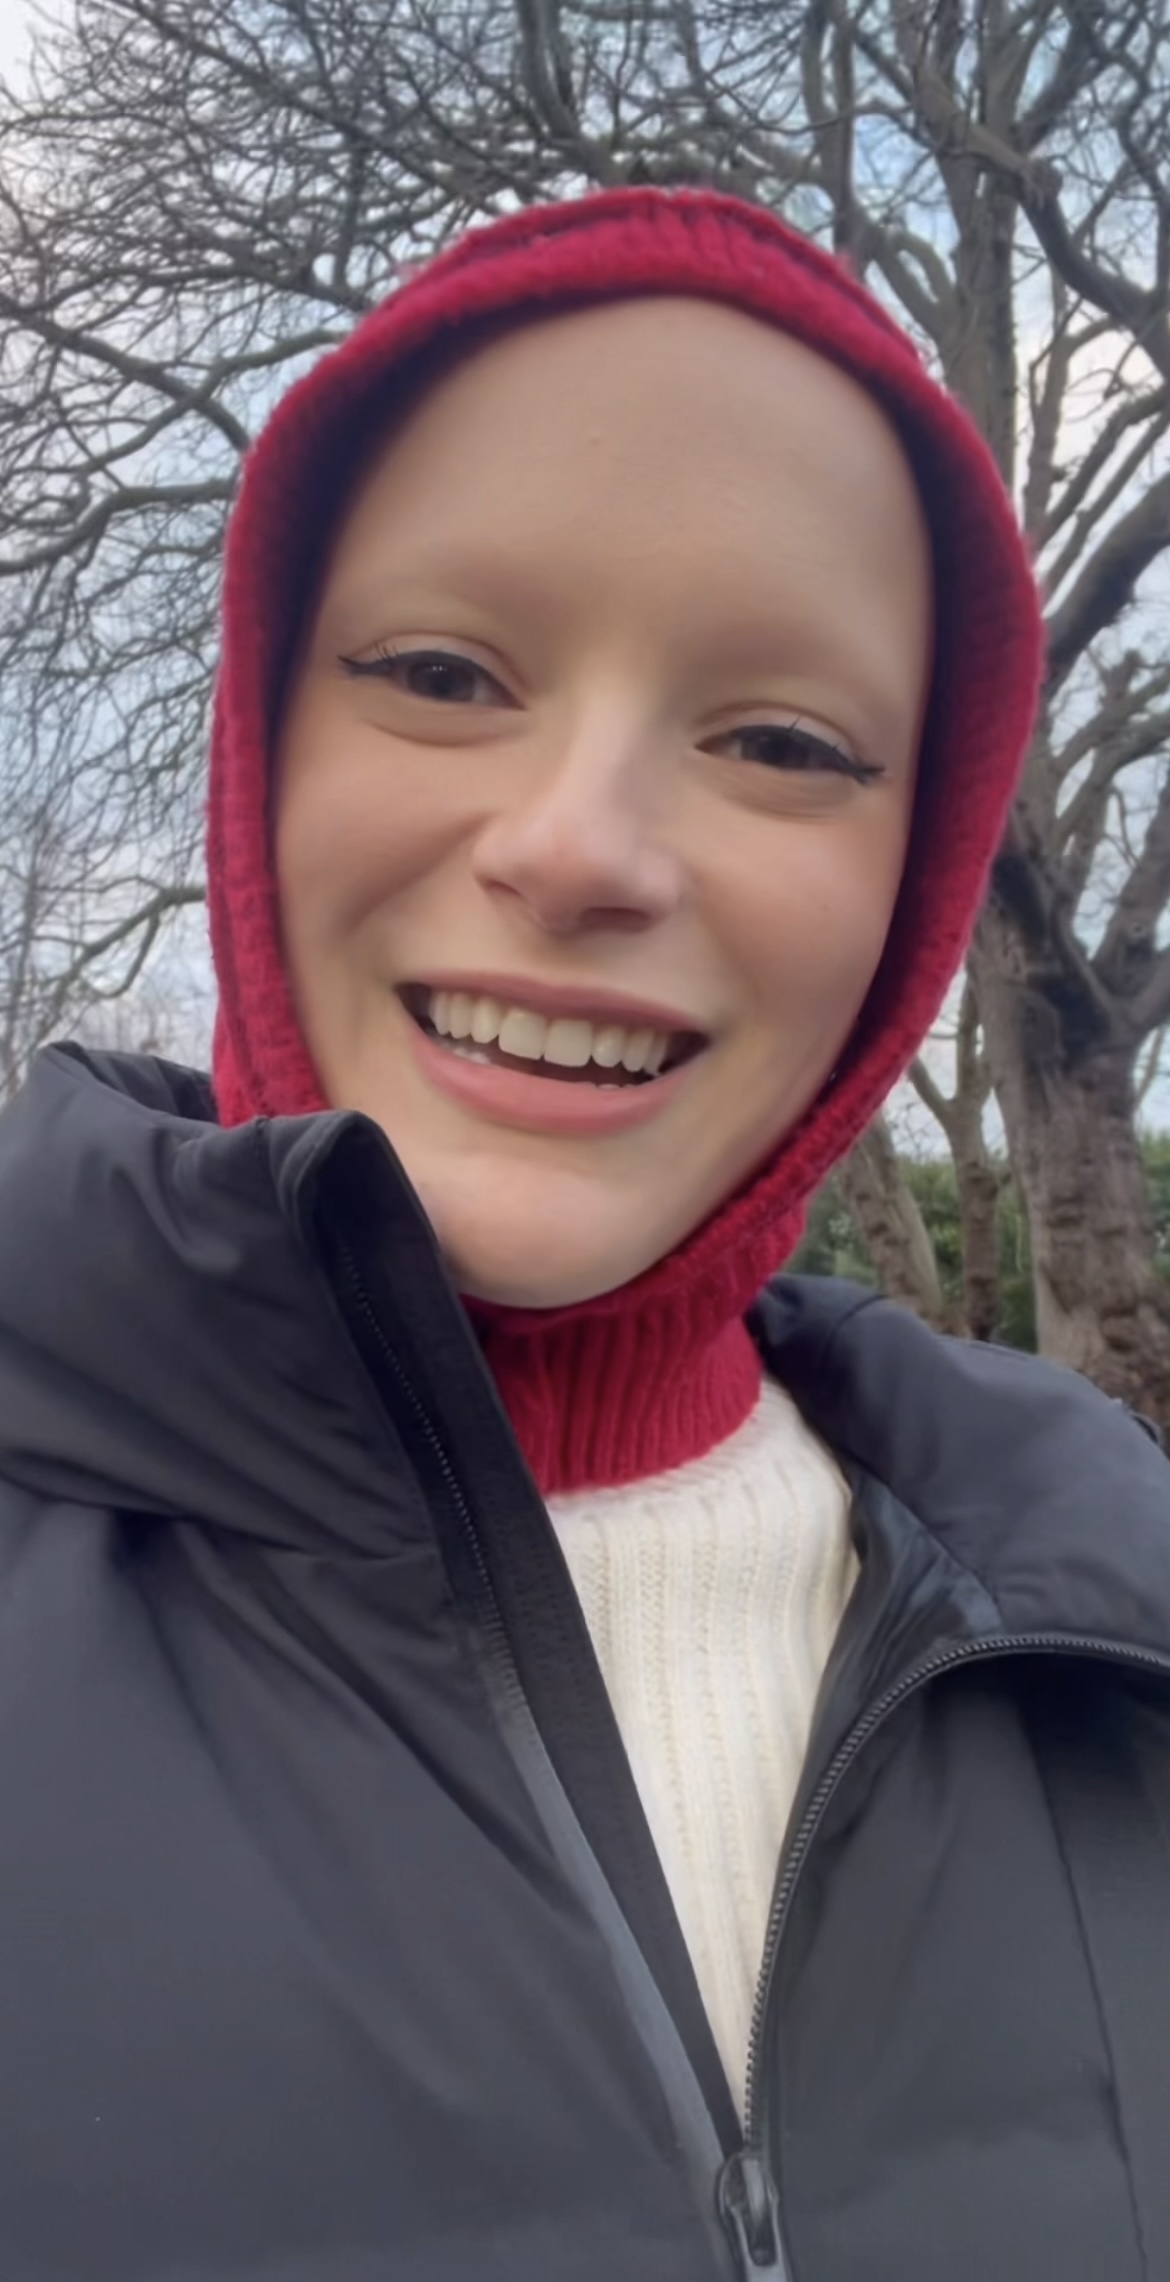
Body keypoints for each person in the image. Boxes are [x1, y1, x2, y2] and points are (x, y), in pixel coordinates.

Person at [0, 183, 1166, 2282]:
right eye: (443, 673)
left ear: (916, 874)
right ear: (261, 746)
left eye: (781, 743)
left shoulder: (1114, 1605)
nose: (579, 848)